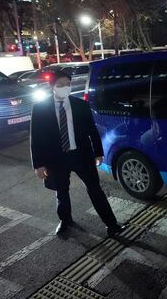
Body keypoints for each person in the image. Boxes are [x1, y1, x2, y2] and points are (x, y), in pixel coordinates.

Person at [30, 70, 124, 237]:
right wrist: (38, 164)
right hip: (56, 158)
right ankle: (65, 221)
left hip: (81, 155)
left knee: (95, 190)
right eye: (60, 85)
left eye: (68, 84)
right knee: (61, 192)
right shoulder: (40, 108)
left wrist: (98, 152)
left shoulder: (80, 105)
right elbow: (36, 137)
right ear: (52, 86)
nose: (65, 88)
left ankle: (111, 224)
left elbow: (92, 130)